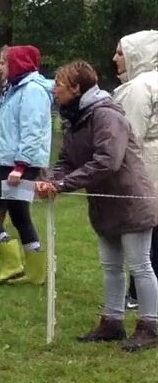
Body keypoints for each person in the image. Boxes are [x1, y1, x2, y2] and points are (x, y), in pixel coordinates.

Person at [36, 61, 158, 351]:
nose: (55, 90)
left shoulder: (105, 115)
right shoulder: (76, 118)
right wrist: (53, 179)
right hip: (105, 202)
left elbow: (108, 160)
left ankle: (151, 325)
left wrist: (64, 184)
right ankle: (113, 322)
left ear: (77, 88)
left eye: (60, 86)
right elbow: (67, 159)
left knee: (140, 265)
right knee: (111, 265)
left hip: (129, 199)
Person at [0, 45, 55, 285]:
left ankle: (13, 263)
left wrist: (20, 166)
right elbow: (2, 122)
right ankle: (36, 272)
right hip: (13, 161)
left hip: (16, 163)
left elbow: (33, 131)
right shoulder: (15, 90)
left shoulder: (32, 91)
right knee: (20, 215)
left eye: (3, 63)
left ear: (17, 64)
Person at [113, 30, 158, 310]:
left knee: (147, 233)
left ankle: (142, 296)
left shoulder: (140, 87)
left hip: (148, 168)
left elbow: (130, 135)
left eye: (120, 52)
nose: (115, 58)